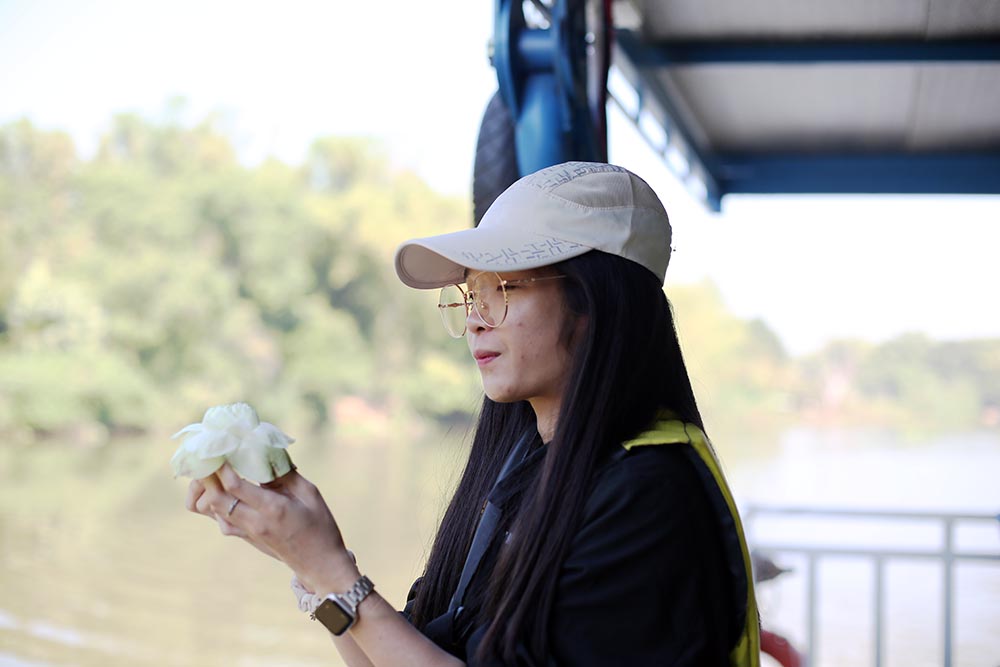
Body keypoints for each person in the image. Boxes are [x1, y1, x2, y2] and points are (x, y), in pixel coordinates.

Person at [186, 161, 760, 666]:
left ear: (595, 303)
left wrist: (335, 572)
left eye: (502, 289)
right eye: (470, 294)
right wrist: (308, 563)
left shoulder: (650, 494)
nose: (477, 320)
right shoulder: (526, 462)